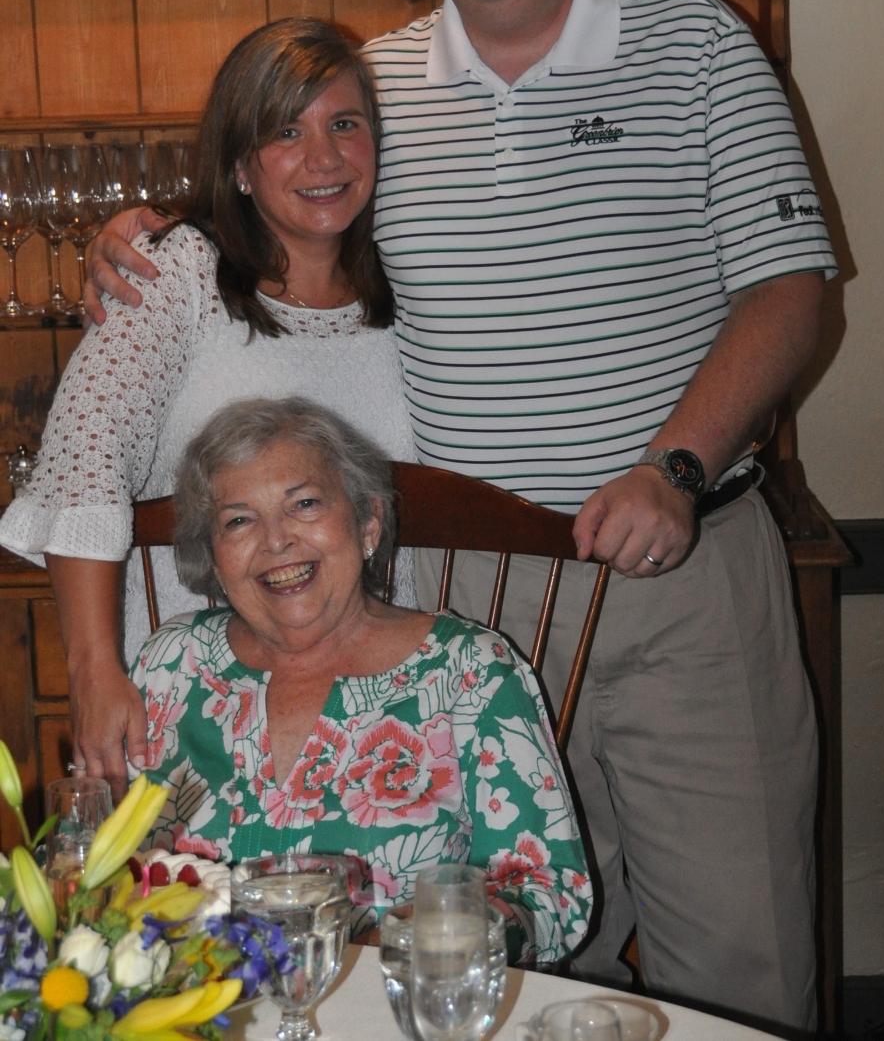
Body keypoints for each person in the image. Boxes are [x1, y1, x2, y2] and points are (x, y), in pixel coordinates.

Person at [82, 0, 835, 1028]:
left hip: (675, 573)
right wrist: (151, 234)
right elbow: (282, 202)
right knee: (486, 964)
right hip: (463, 609)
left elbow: (793, 290)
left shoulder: (699, 46)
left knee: (737, 956)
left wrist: (678, 467)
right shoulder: (375, 93)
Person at [0, 19, 418, 788]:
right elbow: (83, 462)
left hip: (378, 711)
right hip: (192, 709)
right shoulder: (179, 271)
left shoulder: (412, 286)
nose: (324, 157)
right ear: (239, 165)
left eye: (346, 124)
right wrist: (96, 673)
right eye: (286, 130)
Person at [132, 395, 592, 964]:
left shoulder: (468, 671)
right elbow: (107, 863)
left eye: (303, 504)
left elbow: (550, 894)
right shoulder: (170, 666)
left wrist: (427, 940)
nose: (276, 540)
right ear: (214, 554)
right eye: (239, 519)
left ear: (368, 521)